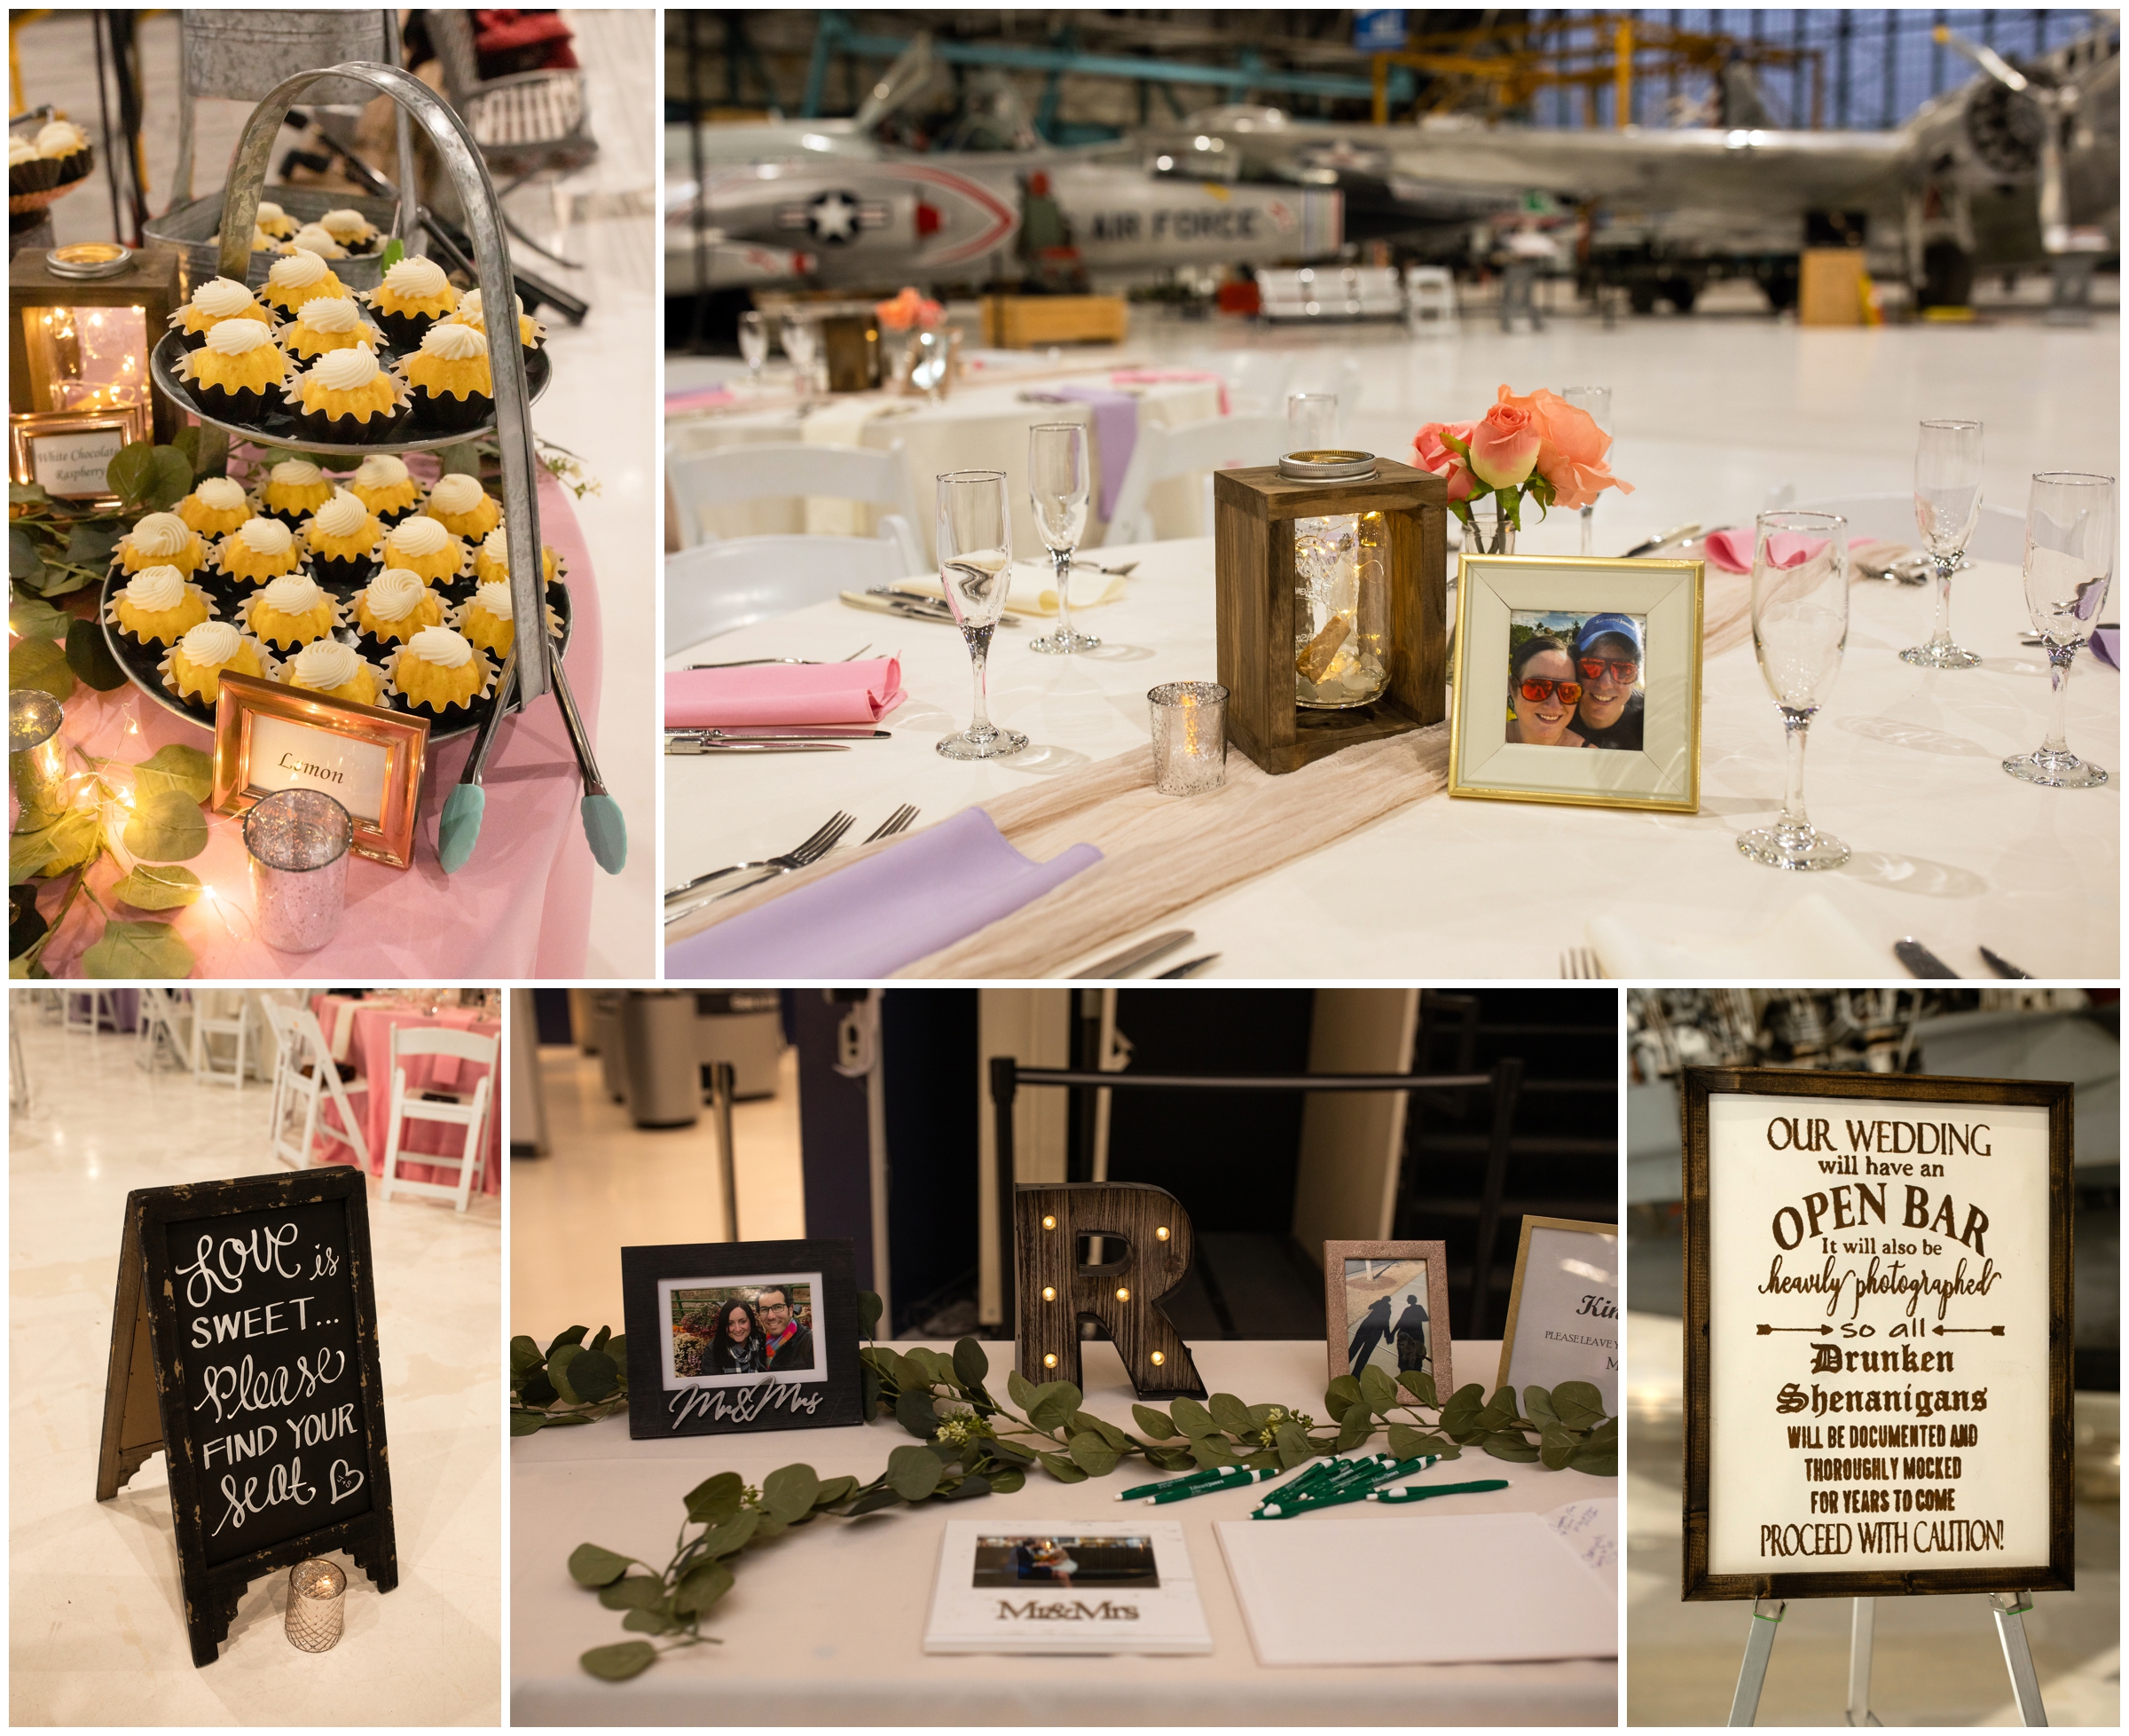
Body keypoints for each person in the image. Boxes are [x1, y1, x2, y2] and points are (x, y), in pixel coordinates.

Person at [1571, 614, 1646, 751]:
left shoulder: (1649, 719)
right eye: (1592, 665)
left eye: (1623, 670)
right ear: (1574, 669)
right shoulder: (1556, 712)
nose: (1605, 684)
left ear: (1636, 677)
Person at [1507, 635, 1587, 747]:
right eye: (1537, 687)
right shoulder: (1479, 743)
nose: (1554, 705)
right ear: (1512, 687)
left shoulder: (1589, 757)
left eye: (1568, 690)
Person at [758, 1284, 814, 1374]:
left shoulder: (811, 1343)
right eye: (764, 1309)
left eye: (778, 1307)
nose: (771, 1316)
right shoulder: (760, 1343)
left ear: (790, 1310)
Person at [708, 1298, 768, 1375]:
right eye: (730, 1323)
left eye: (742, 1322)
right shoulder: (713, 1349)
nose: (738, 1329)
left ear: (751, 1321)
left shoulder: (763, 1342)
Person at [1347, 1293, 1394, 1378]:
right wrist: (1388, 1335)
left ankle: (1341, 1368)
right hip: (1376, 1333)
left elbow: (1370, 1307)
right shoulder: (1388, 1309)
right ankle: (1355, 1377)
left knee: (1353, 1349)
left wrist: (1378, 1303)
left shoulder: (1378, 1303)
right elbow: (1386, 1322)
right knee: (1365, 1355)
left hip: (1365, 1327)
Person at [1393, 1293, 1430, 1374]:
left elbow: (1401, 1321)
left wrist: (1393, 1332)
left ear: (1411, 1300)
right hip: (1418, 1332)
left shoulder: (1409, 1309)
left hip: (1413, 1333)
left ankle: (1412, 1368)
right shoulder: (1417, 1308)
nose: (1407, 1300)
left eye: (1408, 1298)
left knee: (1413, 1350)